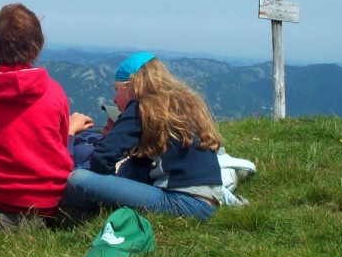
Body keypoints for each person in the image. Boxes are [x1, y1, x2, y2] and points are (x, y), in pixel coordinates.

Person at [0, 3, 92, 232]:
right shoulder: (55, 92)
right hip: (51, 198)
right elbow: (58, 143)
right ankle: (39, 221)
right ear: (37, 47)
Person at [63, 52, 224, 220]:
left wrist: (105, 181)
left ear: (131, 86)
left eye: (117, 90)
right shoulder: (182, 105)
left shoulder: (142, 107)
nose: (115, 99)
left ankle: (74, 215)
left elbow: (102, 156)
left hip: (181, 203)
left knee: (78, 179)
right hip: (208, 202)